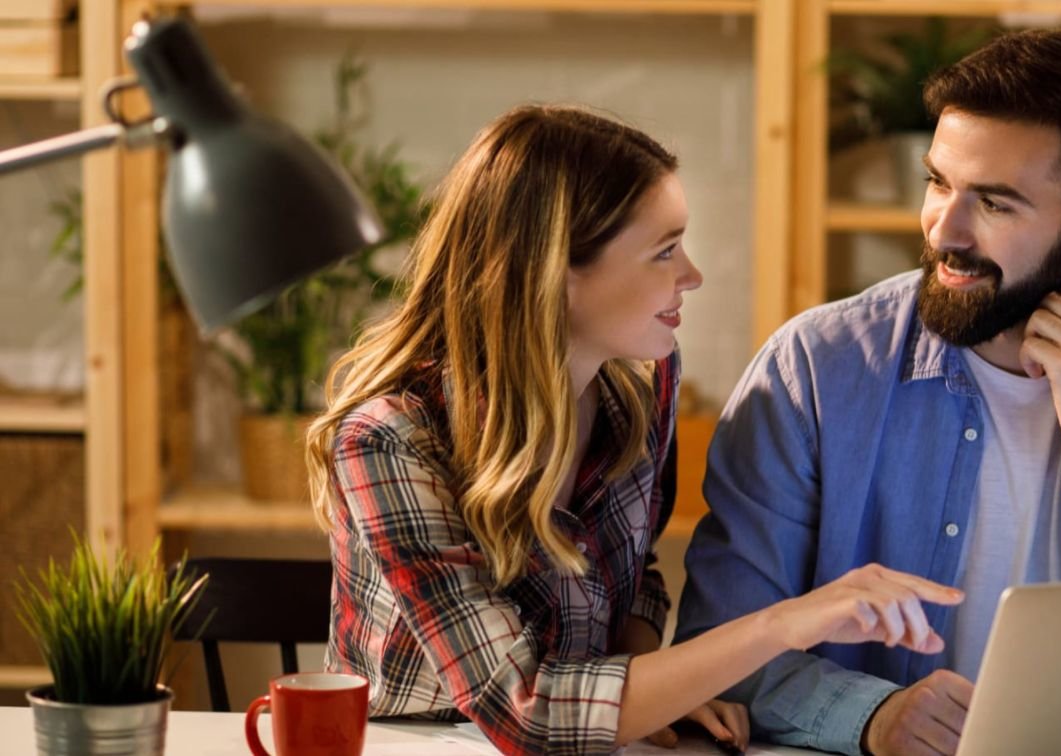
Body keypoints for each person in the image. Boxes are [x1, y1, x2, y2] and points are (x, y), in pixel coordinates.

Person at [676, 29, 1061, 756]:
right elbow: (717, 650)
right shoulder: (814, 367)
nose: (944, 230)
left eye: (994, 204)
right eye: (938, 183)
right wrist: (872, 716)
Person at [304, 104, 964, 755]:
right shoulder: (390, 439)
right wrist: (783, 625)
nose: (691, 276)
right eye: (663, 251)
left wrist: (652, 689)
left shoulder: (644, 385)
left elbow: (635, 577)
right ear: (556, 273)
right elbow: (526, 710)